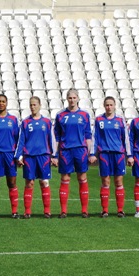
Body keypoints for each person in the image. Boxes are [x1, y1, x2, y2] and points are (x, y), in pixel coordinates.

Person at [53, 88, 93, 218]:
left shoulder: (85, 115)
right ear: (67, 99)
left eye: (74, 98)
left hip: (80, 150)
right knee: (65, 179)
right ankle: (63, 211)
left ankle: (84, 210)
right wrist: (55, 154)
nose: (72, 100)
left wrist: (90, 152)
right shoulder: (60, 115)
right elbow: (57, 137)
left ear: (78, 98)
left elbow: (88, 135)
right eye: (70, 98)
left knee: (82, 178)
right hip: (65, 150)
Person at [15, 96, 56, 219]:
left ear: (40, 105)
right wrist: (18, 156)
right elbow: (21, 140)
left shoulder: (47, 122)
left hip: (43, 156)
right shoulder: (26, 122)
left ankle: (47, 211)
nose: (32, 107)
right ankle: (27, 211)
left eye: (34, 105)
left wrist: (54, 155)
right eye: (31, 105)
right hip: (29, 157)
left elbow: (52, 139)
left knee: (44, 182)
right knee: (29, 183)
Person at [90, 96, 129, 218]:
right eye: (107, 105)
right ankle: (105, 210)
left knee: (118, 181)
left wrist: (130, 155)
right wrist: (92, 153)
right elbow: (94, 137)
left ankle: (120, 210)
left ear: (115, 105)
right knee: (105, 181)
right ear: (104, 105)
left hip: (118, 154)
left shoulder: (120, 120)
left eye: (111, 105)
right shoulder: (99, 120)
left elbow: (126, 138)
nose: (109, 107)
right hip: (104, 154)